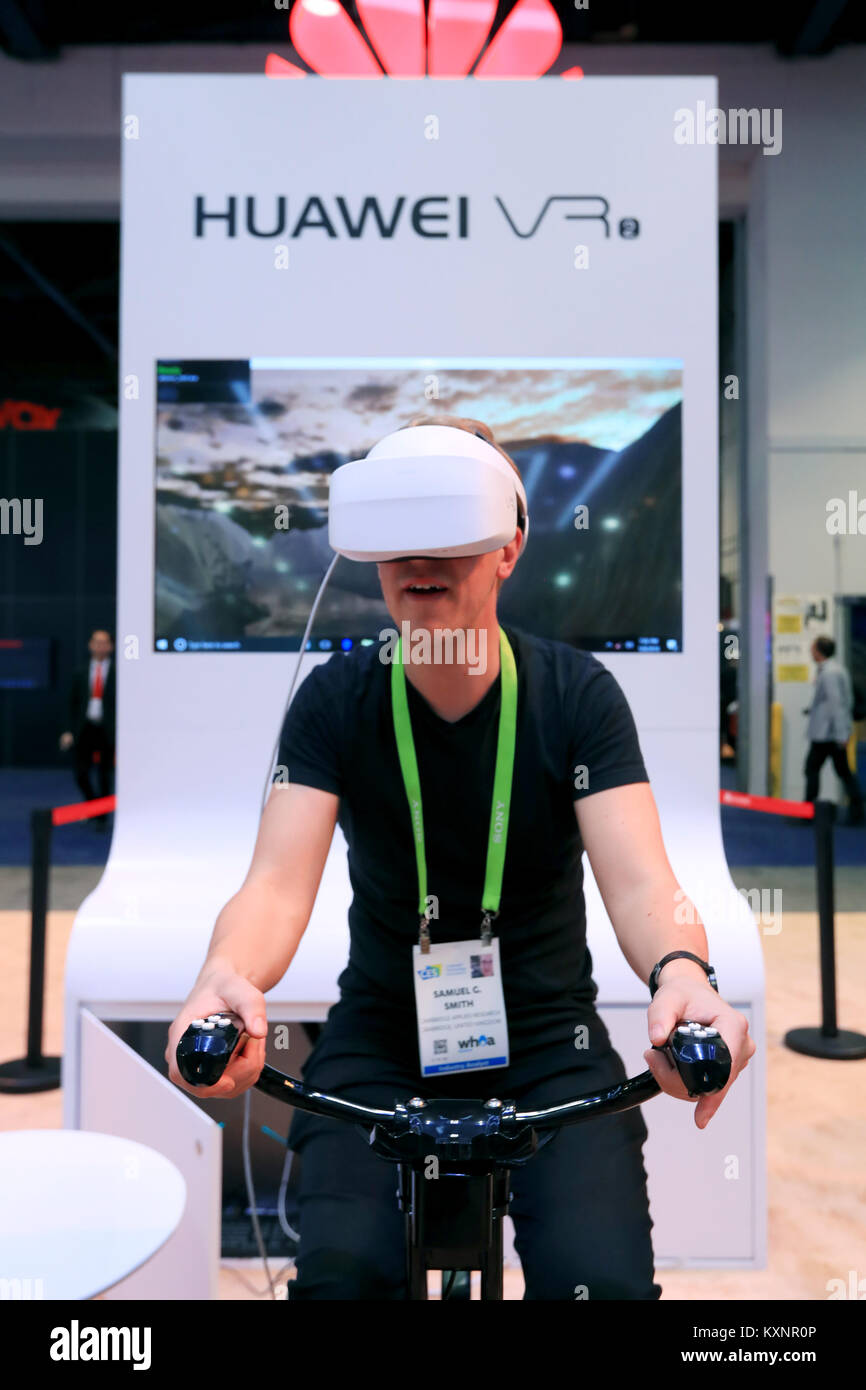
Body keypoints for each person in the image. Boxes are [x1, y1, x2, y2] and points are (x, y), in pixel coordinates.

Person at [166, 415, 755, 1301]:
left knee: (603, 1287)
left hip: (547, 1034)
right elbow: (275, 887)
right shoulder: (336, 698)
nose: (420, 555)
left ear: (510, 542)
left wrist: (684, 972)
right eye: (399, 526)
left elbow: (644, 883)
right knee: (342, 1281)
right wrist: (223, 973)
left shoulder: (576, 696)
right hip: (382, 1032)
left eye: (452, 520)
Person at [803, 635, 865, 826]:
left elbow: (836, 705)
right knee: (843, 772)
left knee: (813, 769)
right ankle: (856, 811)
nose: (811, 652)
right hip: (831, 733)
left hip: (827, 735)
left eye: (813, 648)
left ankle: (809, 813)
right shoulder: (835, 670)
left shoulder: (829, 673)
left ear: (819, 651)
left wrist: (840, 735)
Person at [59, 629, 116, 827]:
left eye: (104, 642)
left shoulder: (120, 672)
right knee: (81, 773)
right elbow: (71, 703)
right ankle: (93, 806)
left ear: (111, 646)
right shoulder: (80, 672)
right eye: (96, 642)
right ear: (90, 645)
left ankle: (101, 817)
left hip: (108, 730)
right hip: (85, 728)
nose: (100, 646)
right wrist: (67, 731)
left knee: (105, 775)